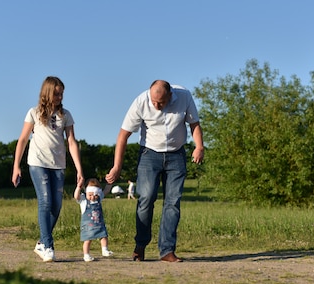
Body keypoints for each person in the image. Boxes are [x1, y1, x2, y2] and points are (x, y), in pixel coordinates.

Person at [106, 80, 204, 262]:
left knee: (172, 203)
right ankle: (140, 246)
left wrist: (199, 146)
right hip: (149, 155)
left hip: (176, 155)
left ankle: (167, 250)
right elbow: (123, 135)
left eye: (161, 102)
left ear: (170, 95)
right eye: (154, 102)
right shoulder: (141, 101)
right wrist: (117, 166)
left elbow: (194, 124)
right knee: (146, 198)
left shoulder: (184, 96)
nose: (156, 106)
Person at [12, 76, 84, 262]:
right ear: (47, 93)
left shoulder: (65, 115)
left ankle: (41, 242)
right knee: (45, 201)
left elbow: (71, 141)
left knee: (56, 206)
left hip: (58, 165)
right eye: (56, 93)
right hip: (37, 162)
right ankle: (48, 245)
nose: (59, 97)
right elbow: (22, 140)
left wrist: (79, 169)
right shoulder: (34, 113)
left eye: (61, 93)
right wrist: (16, 166)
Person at [74, 178, 114, 261]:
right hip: (88, 226)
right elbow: (76, 196)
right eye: (90, 195)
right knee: (87, 240)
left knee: (104, 236)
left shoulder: (99, 199)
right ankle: (86, 255)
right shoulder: (83, 200)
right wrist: (78, 187)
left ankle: (104, 250)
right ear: (86, 192)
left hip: (99, 224)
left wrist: (109, 184)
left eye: (95, 195)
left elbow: (106, 191)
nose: (93, 197)